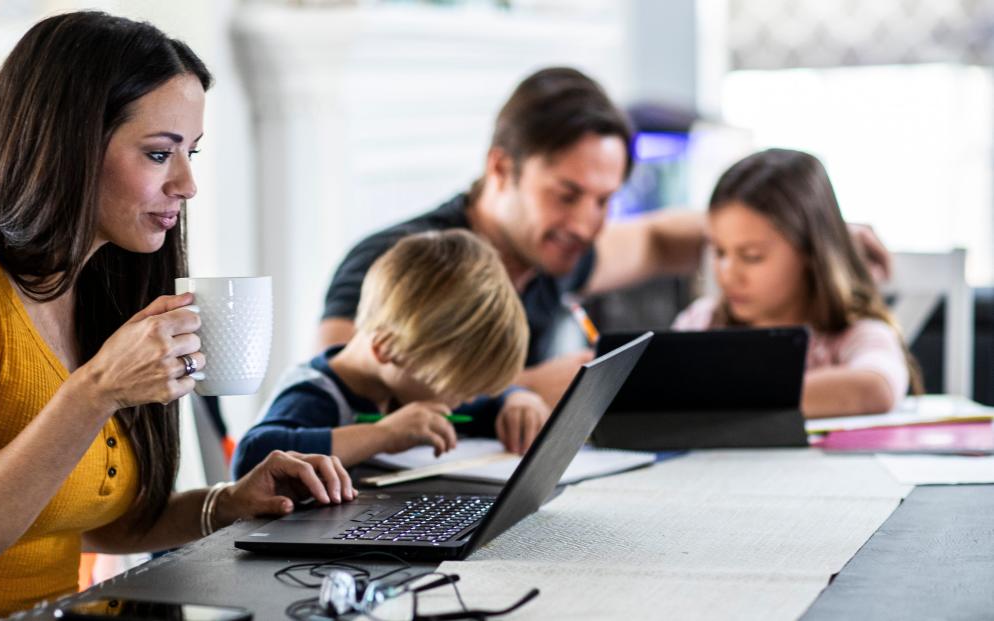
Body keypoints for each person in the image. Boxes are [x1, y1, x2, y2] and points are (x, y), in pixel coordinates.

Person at [0, 12, 353, 620]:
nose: (188, 183)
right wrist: (96, 392)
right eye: (159, 153)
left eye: (190, 152)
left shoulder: (99, 287)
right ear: (70, 145)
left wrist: (228, 503)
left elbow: (94, 522)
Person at [318, 67, 892, 409]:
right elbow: (349, 399)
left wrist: (817, 233)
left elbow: (666, 238)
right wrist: (532, 386)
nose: (590, 224)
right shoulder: (394, 265)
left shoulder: (556, 251)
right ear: (500, 169)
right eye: (567, 194)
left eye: (605, 199)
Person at [232, 230, 550, 478]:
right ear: (388, 348)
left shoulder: (401, 384)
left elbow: (481, 408)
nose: (466, 401)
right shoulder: (314, 394)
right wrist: (382, 434)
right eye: (461, 389)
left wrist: (516, 399)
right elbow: (252, 455)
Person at [672, 148, 918, 418]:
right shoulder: (702, 322)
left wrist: (723, 394)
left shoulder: (853, 335)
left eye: (752, 256)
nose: (727, 274)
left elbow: (876, 388)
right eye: (719, 252)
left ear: (810, 253)